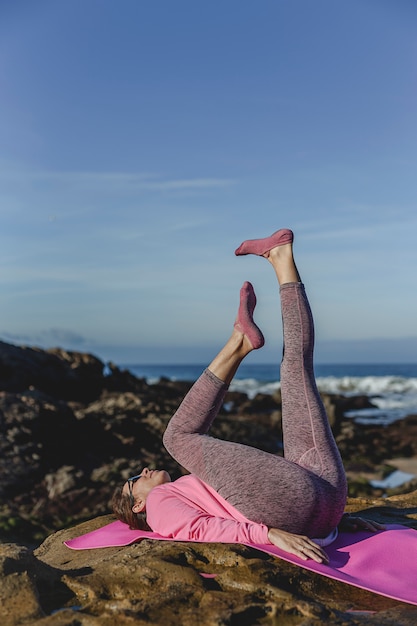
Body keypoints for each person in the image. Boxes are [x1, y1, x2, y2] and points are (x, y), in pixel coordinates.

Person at [112, 228, 383, 564]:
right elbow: (196, 529)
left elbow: (242, 504)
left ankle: (281, 258)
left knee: (295, 368)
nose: (143, 470)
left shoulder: (183, 489)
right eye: (134, 480)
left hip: (325, 502)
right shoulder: (158, 504)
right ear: (137, 503)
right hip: (304, 502)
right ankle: (238, 341)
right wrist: (268, 534)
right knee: (177, 436)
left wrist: (335, 521)